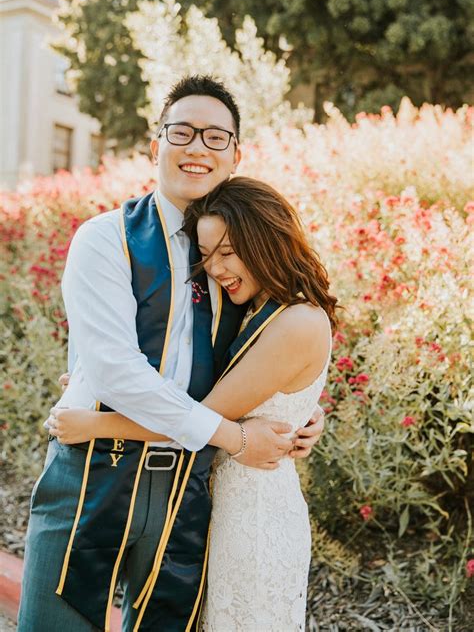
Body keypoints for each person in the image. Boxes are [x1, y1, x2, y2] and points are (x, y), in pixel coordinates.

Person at [18, 75, 324, 632]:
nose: (197, 147)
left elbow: (275, 346)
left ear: (236, 155)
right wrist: (234, 435)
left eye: (215, 137)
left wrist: (301, 411)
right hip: (96, 466)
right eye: (182, 131)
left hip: (190, 487)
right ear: (156, 145)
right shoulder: (104, 238)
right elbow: (116, 371)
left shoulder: (242, 256)